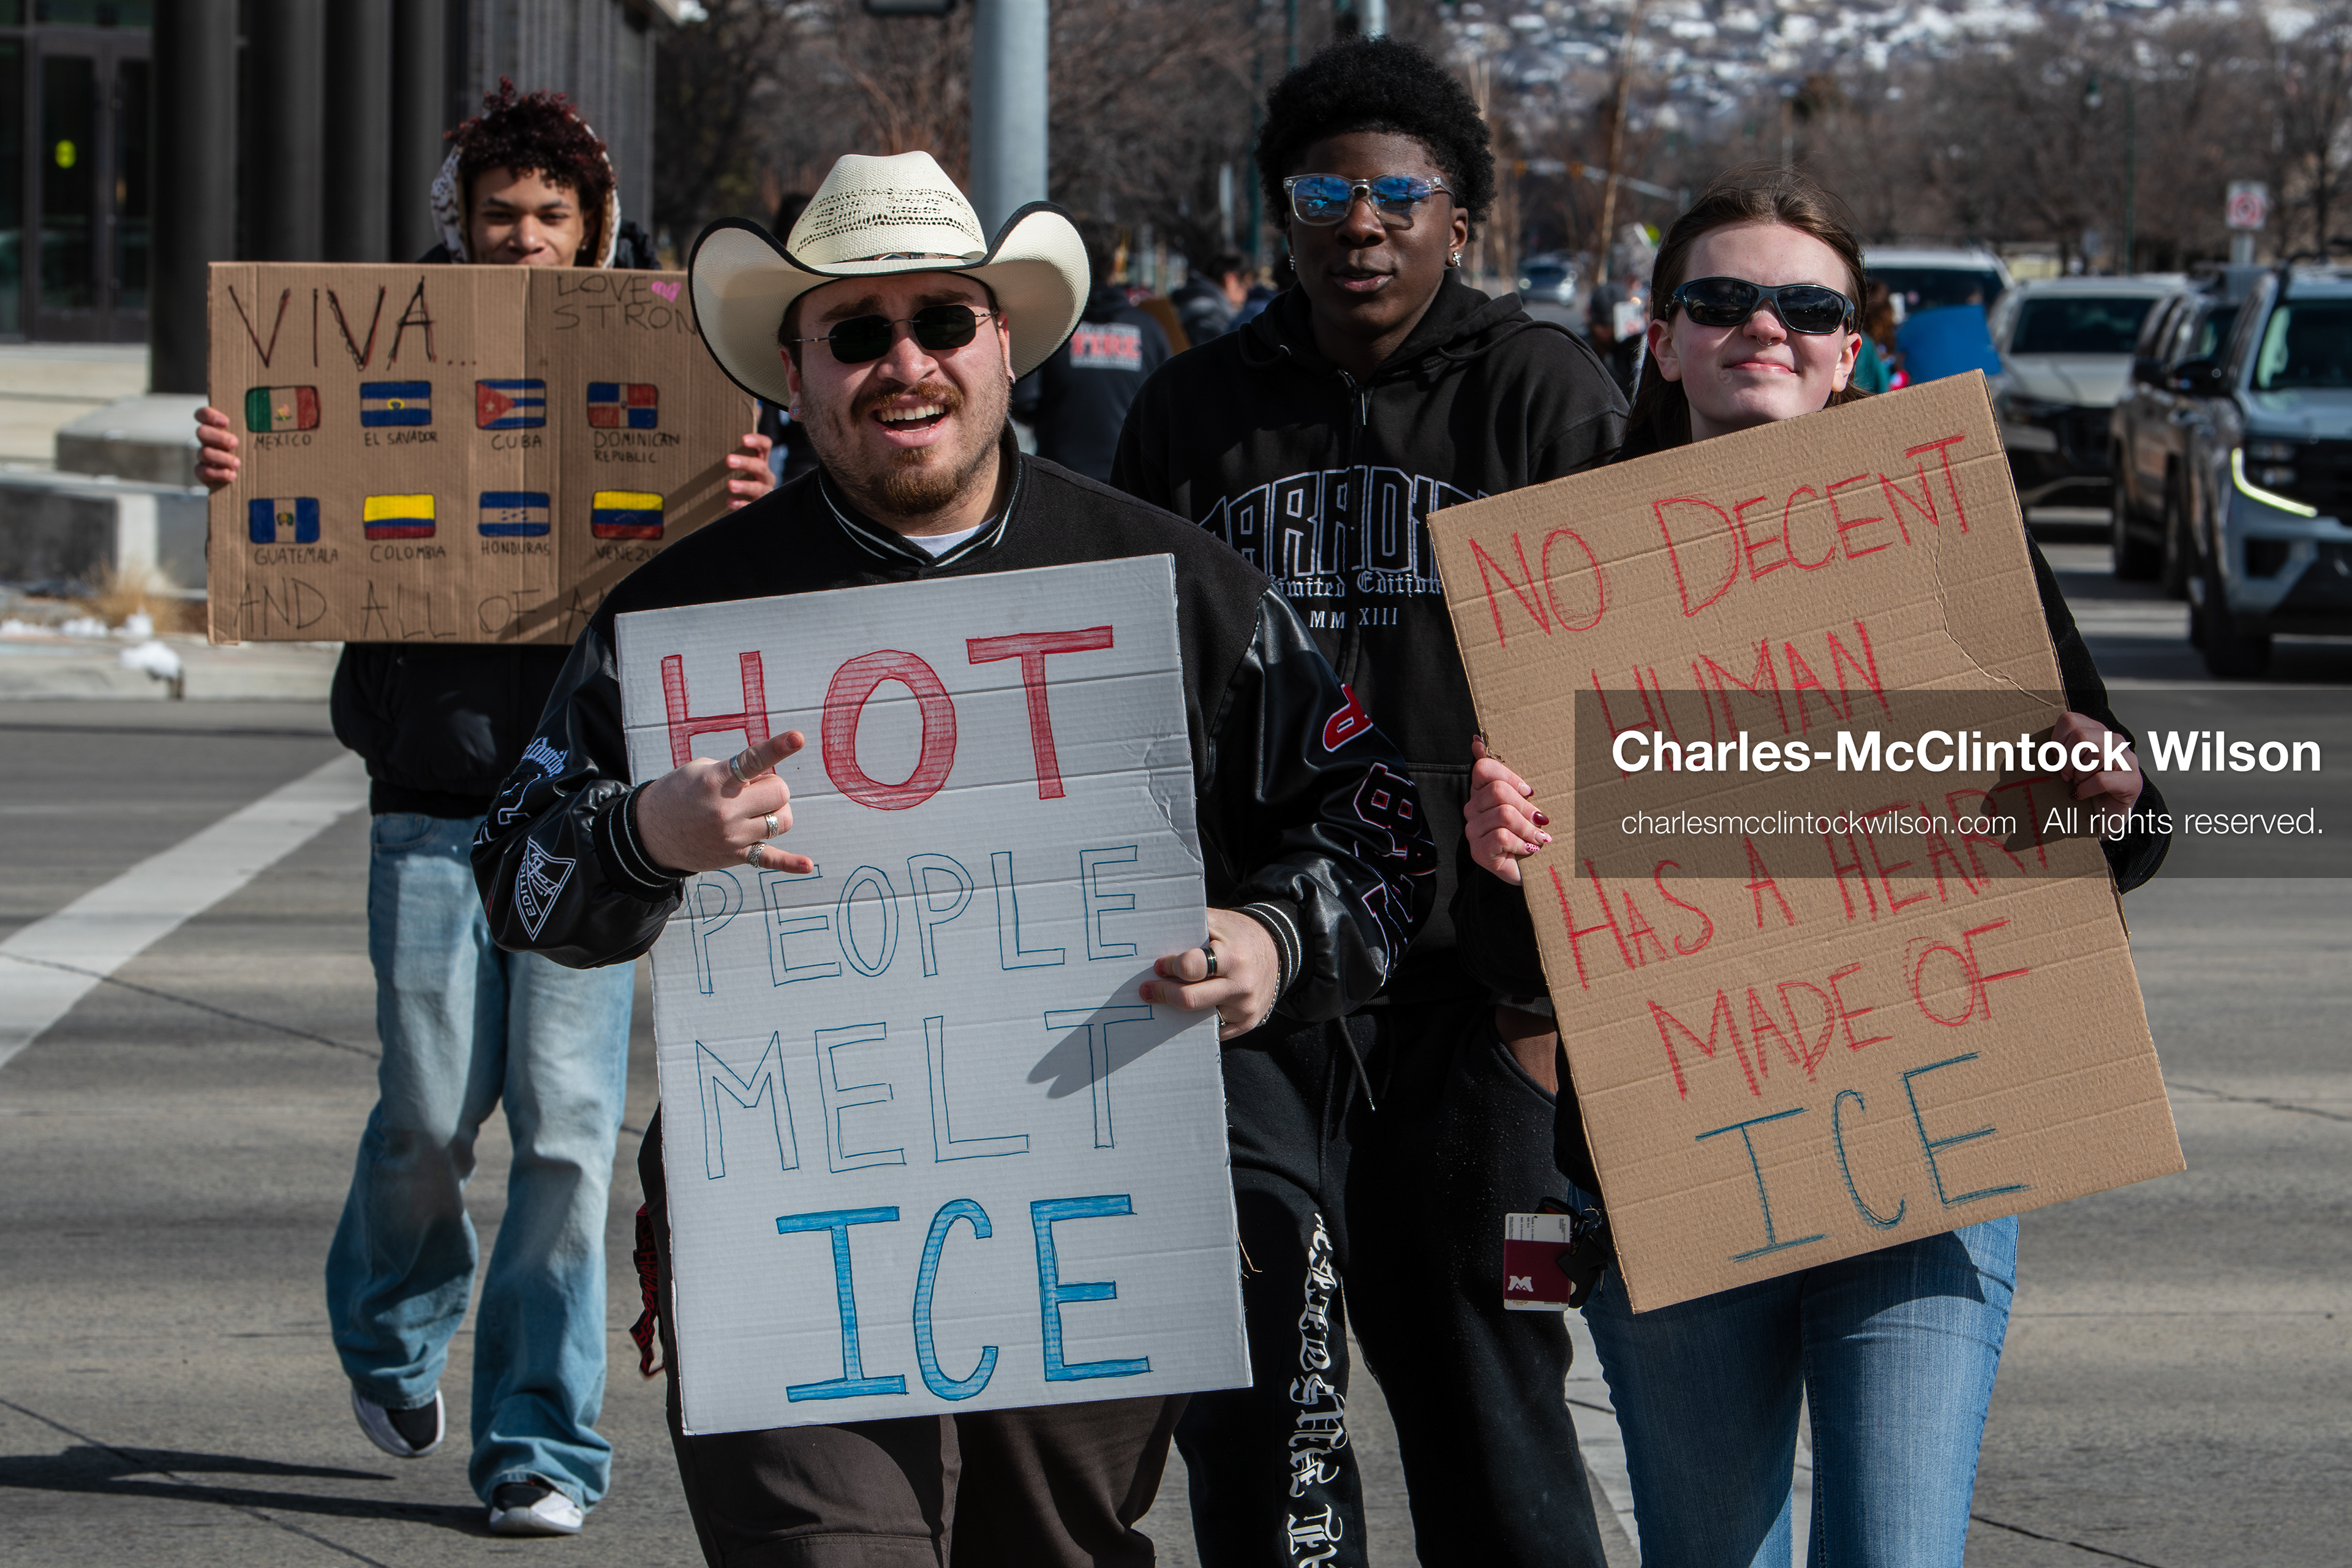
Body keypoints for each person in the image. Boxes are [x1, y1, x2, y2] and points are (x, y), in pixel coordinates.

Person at [472, 149, 1434, 1568]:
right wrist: (644, 833)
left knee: (1049, 1548)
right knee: (826, 1550)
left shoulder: (1175, 585)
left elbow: (1377, 828)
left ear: (1005, 348)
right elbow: (516, 871)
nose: (902, 363)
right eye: (856, 333)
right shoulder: (681, 612)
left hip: (1095, 1192)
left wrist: (1270, 941)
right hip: (786, 1207)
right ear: (794, 372)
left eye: (941, 322)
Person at [1454, 165, 2172, 1568]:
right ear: (1658, 336)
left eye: (1803, 304)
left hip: (1933, 1146)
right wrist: (1495, 858)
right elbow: (1508, 964)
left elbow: (2128, 835)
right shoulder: (1558, 575)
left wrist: (2107, 783)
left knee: (1893, 1549)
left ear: (1853, 347)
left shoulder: (1944, 543)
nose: (1760, 325)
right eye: (1717, 299)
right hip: (1673, 1160)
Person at [190, 81, 776, 1539]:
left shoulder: (665, 374)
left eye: (550, 218)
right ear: (458, 225)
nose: (523, 239)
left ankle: (540, 1439)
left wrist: (746, 494)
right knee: (428, 1120)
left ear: (592, 237)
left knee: (570, 1138)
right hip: (431, 802)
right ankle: (390, 1325)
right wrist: (251, 468)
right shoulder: (381, 365)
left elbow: (719, 586)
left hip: (590, 811)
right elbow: (306, 523)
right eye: (499, 214)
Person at [1111, 37, 1626, 1567]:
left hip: (1476, 995)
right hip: (1254, 985)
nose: (1361, 221)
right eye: (1324, 191)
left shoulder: (1538, 394)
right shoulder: (1191, 413)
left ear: (1456, 217)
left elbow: (1628, 684)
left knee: (1491, 1382)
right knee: (1262, 1376)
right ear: (1282, 214)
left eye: (1398, 192)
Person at [1011, 227, 1173, 481]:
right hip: (1132, 483)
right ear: (1116, 264)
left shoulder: (1052, 328)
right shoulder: (1149, 329)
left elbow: (1024, 400)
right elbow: (1167, 405)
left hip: (1061, 480)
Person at [1172, 249, 1252, 342]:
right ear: (1231, 280)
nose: (1246, 296)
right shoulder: (1213, 313)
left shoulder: (1188, 298)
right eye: (1246, 287)